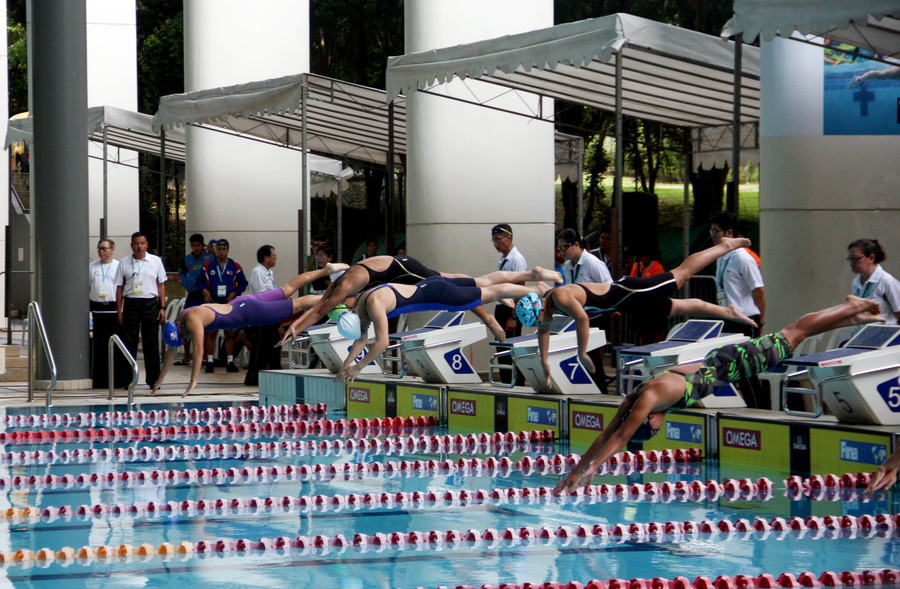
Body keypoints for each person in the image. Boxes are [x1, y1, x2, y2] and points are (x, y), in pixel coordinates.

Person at [555, 295, 885, 494]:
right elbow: (608, 432)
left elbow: (621, 437)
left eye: (656, 429)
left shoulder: (646, 402)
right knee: (793, 337)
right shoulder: (635, 397)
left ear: (649, 420)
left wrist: (594, 468)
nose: (660, 425)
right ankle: (849, 316)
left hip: (733, 365)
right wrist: (577, 470)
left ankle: (848, 307)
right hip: (724, 361)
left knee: (792, 334)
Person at [531, 236, 758, 390]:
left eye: (537, 318)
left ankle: (725, 246)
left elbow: (581, 318)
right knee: (677, 308)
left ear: (539, 307)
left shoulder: (559, 297)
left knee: (683, 273)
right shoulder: (545, 306)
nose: (539, 322)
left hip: (632, 291)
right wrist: (544, 362)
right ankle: (727, 311)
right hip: (628, 304)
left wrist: (581, 352)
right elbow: (543, 331)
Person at [154, 262, 350, 397]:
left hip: (251, 313)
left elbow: (199, 351)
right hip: (245, 302)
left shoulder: (192, 322)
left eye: (183, 339)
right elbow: (171, 352)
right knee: (288, 287)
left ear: (180, 332)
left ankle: (337, 298)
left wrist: (193, 382)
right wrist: (159, 381)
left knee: (298, 304)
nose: (185, 340)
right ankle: (326, 270)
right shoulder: (181, 317)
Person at [335, 267, 561, 383]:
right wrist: (346, 364)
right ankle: (532, 274)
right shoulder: (361, 303)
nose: (364, 328)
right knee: (484, 281)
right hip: (431, 284)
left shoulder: (374, 306)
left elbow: (381, 342)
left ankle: (538, 290)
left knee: (493, 291)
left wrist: (359, 367)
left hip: (440, 296)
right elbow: (362, 338)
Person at [278, 255, 512, 345]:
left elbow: (320, 311)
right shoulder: (338, 286)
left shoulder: (345, 286)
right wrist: (295, 327)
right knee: (452, 279)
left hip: (406, 270)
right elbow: (319, 306)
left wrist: (295, 328)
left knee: (457, 288)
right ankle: (490, 293)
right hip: (400, 272)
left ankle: (488, 317)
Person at [115, 232, 168, 388]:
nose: (139, 246)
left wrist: (162, 307)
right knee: (129, 342)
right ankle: (129, 379)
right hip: (131, 304)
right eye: (136, 243)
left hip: (150, 304)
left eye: (142, 243)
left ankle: (153, 380)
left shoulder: (156, 261)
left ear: (147, 245)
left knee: (151, 343)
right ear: (132, 245)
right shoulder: (124, 263)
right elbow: (119, 288)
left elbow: (161, 285)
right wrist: (119, 311)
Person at [710, 211, 766, 336]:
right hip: (726, 317)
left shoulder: (743, 258)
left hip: (744, 318)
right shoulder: (721, 256)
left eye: (716, 231)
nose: (712, 235)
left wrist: (760, 323)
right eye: (711, 231)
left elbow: (759, 291)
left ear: (729, 232)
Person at [202, 239, 248, 373]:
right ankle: (210, 361)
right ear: (216, 250)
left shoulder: (235, 266)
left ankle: (230, 361)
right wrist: (204, 290)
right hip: (214, 302)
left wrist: (235, 292)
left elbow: (243, 283)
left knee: (229, 332)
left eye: (224, 249)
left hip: (228, 302)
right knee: (212, 332)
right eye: (219, 249)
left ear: (228, 250)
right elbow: (199, 281)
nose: (221, 252)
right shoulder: (208, 265)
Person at [491, 223, 528, 384]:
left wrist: (514, 316)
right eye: (493, 240)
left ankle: (516, 385)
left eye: (498, 239)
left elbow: (521, 289)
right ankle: (506, 383)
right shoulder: (504, 259)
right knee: (502, 351)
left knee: (511, 350)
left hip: (511, 310)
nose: (496, 244)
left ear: (509, 237)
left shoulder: (516, 259)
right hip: (501, 308)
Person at [89, 239, 125, 388]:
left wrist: (121, 310)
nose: (101, 251)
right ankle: (100, 379)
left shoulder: (119, 266)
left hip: (113, 309)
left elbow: (122, 289)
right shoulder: (92, 267)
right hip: (97, 309)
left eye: (104, 249)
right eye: (99, 249)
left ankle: (117, 379)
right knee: (99, 346)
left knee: (115, 345)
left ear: (112, 249)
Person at [244, 244, 281, 386]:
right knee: (260, 345)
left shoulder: (269, 273)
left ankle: (274, 372)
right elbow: (262, 293)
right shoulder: (258, 272)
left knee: (274, 343)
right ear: (266, 258)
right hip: (260, 313)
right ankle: (253, 376)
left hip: (270, 312)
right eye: (273, 254)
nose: (275, 257)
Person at [178, 233, 214, 364]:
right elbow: (181, 272)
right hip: (192, 295)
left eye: (198, 245)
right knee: (186, 324)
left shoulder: (209, 258)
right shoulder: (187, 259)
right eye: (193, 246)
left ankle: (203, 355)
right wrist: (185, 282)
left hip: (206, 296)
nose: (196, 248)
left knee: (205, 326)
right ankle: (187, 354)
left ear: (202, 245)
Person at [848, 238, 900, 324]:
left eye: (856, 259)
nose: (852, 263)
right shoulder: (856, 282)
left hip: (884, 335)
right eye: (850, 259)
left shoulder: (887, 281)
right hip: (863, 334)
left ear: (871, 258)